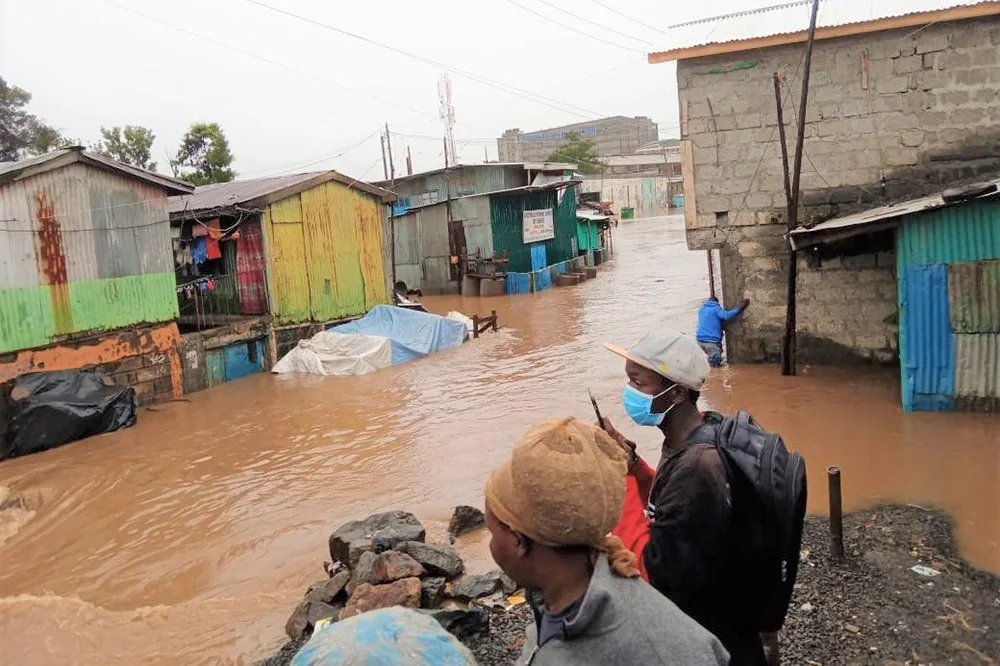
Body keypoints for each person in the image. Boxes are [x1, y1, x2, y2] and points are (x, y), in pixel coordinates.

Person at [603, 330, 797, 666]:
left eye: (638, 383)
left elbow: (652, 570)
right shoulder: (699, 433)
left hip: (713, 640)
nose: (629, 393)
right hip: (722, 615)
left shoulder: (698, 469)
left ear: (677, 392)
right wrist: (634, 468)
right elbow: (668, 508)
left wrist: (613, 479)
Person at [484, 417, 729, 666]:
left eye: (493, 534)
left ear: (519, 542)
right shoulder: (558, 599)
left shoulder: (665, 653)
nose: (490, 545)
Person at [696, 295, 750, 367]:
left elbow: (709, 320)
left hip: (700, 339)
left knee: (714, 356)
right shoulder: (716, 308)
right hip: (711, 340)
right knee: (715, 360)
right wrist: (739, 309)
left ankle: (710, 370)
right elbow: (726, 316)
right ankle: (714, 375)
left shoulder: (701, 309)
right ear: (716, 303)